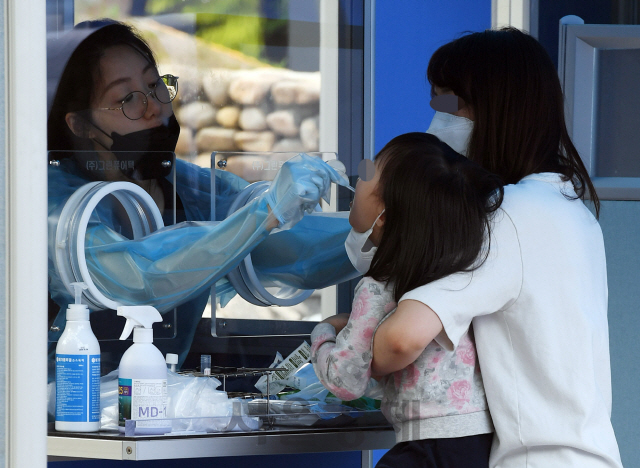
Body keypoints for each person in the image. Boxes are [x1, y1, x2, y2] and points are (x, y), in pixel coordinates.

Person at [371, 28, 623, 467]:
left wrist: (348, 344)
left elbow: (400, 337)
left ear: (496, 109)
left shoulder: (505, 216)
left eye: (451, 104)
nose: (438, 123)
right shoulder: (569, 209)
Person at [46, 20, 356, 374]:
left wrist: (386, 230)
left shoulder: (193, 189)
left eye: (154, 86)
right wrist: (266, 213)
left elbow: (286, 251)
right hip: (61, 411)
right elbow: (140, 278)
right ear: (81, 125)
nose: (152, 108)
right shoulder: (53, 201)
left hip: (153, 405)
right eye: (127, 98)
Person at [310, 132, 504, 468]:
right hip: (482, 443)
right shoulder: (462, 271)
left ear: (383, 216)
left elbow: (345, 380)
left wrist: (324, 332)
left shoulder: (378, 287)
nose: (358, 181)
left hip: (428, 446)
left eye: (367, 178)